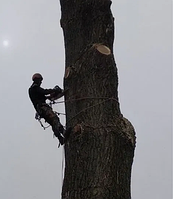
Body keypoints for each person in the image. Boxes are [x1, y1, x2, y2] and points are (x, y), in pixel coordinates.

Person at [28, 73, 71, 145]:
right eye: (40, 80)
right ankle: (63, 132)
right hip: (43, 108)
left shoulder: (34, 91)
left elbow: (43, 96)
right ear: (37, 80)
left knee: (53, 123)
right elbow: (44, 91)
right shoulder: (34, 88)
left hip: (40, 111)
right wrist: (54, 90)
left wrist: (50, 96)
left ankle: (61, 139)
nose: (41, 82)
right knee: (55, 118)